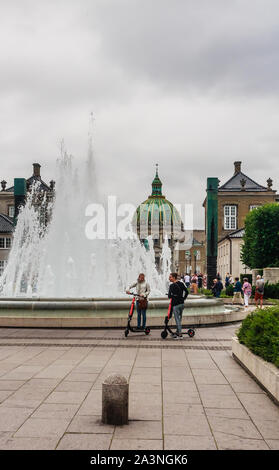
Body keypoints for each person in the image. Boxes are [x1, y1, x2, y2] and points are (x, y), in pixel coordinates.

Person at [168, 272, 189, 339]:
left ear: (174, 277)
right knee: (179, 319)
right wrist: (183, 298)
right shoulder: (181, 283)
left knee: (177, 319)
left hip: (175, 305)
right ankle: (178, 331)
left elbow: (169, 296)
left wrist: (173, 296)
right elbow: (187, 292)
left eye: (170, 277)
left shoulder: (171, 286)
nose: (169, 278)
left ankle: (180, 334)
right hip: (182, 304)